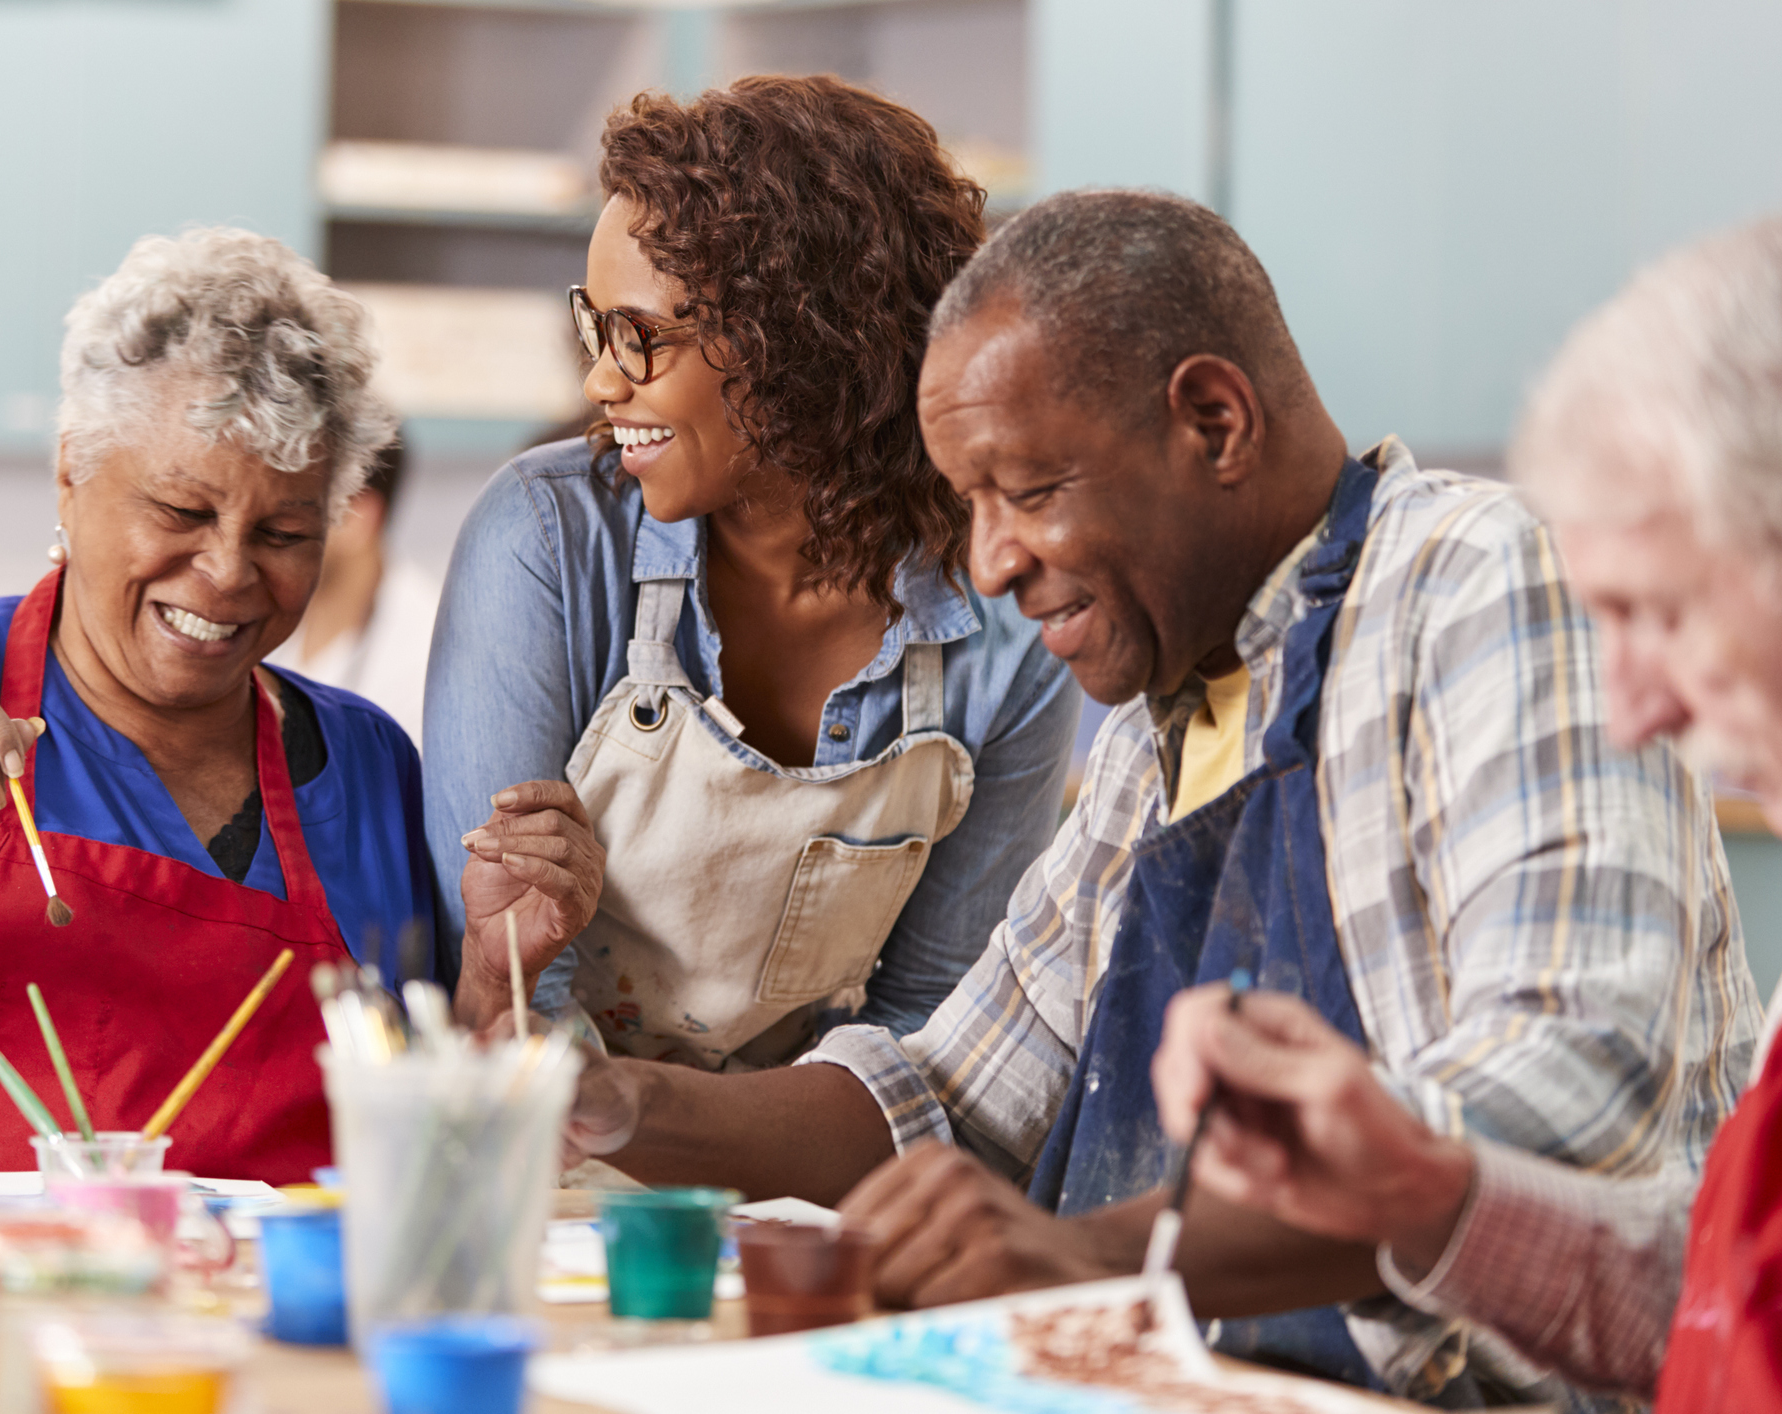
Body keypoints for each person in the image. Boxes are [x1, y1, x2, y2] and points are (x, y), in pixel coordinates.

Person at [557, 190, 1758, 1405]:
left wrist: (1097, 1260)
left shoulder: (1480, 583)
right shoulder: (1159, 715)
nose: (989, 562)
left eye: (1026, 491)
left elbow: (1572, 1093)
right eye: (968, 504)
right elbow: (958, 1098)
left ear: (1214, 421)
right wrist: (612, 1100)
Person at [0, 229, 567, 1184]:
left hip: (261, 1325)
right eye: (180, 512)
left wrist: (495, 976)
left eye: (283, 532)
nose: (225, 572)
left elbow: (438, 1174)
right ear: (71, 471)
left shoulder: (366, 763)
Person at [1149, 217, 1782, 1412]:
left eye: (1661, 612)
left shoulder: (1475, 570)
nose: (1633, 710)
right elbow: (1717, 1307)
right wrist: (1422, 1189)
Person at [426, 76, 1080, 1065]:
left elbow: (933, 1044)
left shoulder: (1006, 618)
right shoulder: (546, 541)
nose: (601, 382)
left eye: (641, 336)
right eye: (594, 325)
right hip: (551, 1171)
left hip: (811, 1184)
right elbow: (508, 1005)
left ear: (806, 337)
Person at [266, 437, 442, 747]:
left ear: (357, 515)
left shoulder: (431, 660)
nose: (265, 530)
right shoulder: (272, 613)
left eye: (289, 509)